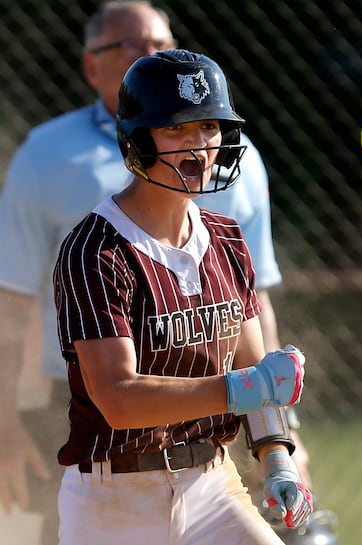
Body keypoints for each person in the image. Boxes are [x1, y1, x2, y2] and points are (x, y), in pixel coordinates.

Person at [0, 3, 316, 544]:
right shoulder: (96, 247)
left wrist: (276, 458)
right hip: (114, 499)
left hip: (213, 483)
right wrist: (241, 388)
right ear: (139, 143)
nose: (200, 146)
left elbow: (252, 366)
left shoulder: (226, 237)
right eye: (179, 130)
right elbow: (120, 399)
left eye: (211, 127)